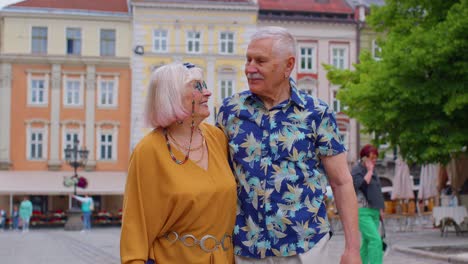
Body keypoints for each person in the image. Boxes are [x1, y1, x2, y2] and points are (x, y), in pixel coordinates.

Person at [216, 26, 361, 264]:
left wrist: (352, 249)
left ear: (288, 65)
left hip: (305, 247)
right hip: (247, 249)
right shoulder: (230, 111)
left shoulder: (317, 112)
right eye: (248, 59)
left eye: (260, 61)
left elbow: (341, 181)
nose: (250, 68)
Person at [120, 62, 237, 264]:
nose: (208, 92)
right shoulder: (148, 150)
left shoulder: (217, 138)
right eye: (197, 87)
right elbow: (136, 225)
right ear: (171, 96)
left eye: (205, 85)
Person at [351, 144, 385, 264]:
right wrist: (369, 171)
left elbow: (377, 191)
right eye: (372, 158)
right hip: (362, 212)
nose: (374, 160)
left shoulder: (374, 171)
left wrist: (381, 209)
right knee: (376, 240)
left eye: (375, 158)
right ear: (364, 158)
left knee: (366, 242)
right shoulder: (356, 170)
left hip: (374, 211)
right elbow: (361, 185)